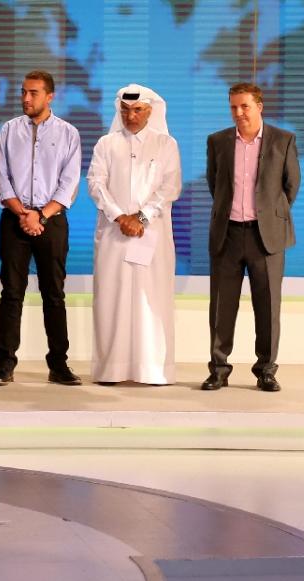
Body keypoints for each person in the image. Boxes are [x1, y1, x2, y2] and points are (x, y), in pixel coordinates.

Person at [203, 82, 300, 392]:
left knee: (268, 308)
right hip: (228, 235)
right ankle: (218, 370)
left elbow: (290, 187)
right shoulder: (217, 142)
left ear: (259, 106)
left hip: (266, 238)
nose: (238, 112)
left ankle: (266, 371)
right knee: (220, 308)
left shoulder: (283, 141)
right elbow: (214, 184)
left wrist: (268, 215)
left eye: (244, 106)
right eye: (233, 107)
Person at [0, 70, 81, 387]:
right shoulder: (8, 130)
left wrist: (40, 215)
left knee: (54, 295)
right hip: (14, 221)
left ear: (50, 96)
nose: (26, 98)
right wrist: (23, 214)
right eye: (23, 92)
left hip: (51, 223)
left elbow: (69, 184)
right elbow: (1, 178)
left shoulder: (68, 133)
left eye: (33, 93)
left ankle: (59, 365)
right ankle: (5, 365)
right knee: (11, 294)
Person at [87, 84, 182, 385]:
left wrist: (141, 217)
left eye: (138, 109)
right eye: (125, 110)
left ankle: (151, 370)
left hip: (150, 235)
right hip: (114, 235)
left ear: (150, 111)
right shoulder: (106, 144)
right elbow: (95, 183)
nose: (131, 115)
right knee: (111, 299)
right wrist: (119, 216)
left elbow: (170, 187)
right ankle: (110, 369)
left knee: (149, 300)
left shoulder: (166, 145)